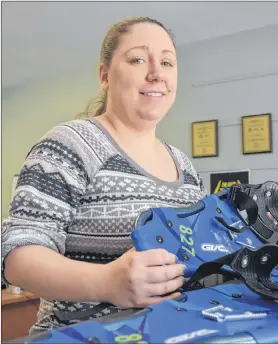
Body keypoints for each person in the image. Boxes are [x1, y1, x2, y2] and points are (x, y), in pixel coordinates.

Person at [1, 17, 207, 334]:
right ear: (104, 76)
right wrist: (107, 282)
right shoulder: (70, 144)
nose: (156, 74)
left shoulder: (185, 166)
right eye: (138, 59)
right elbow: (18, 256)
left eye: (167, 62)